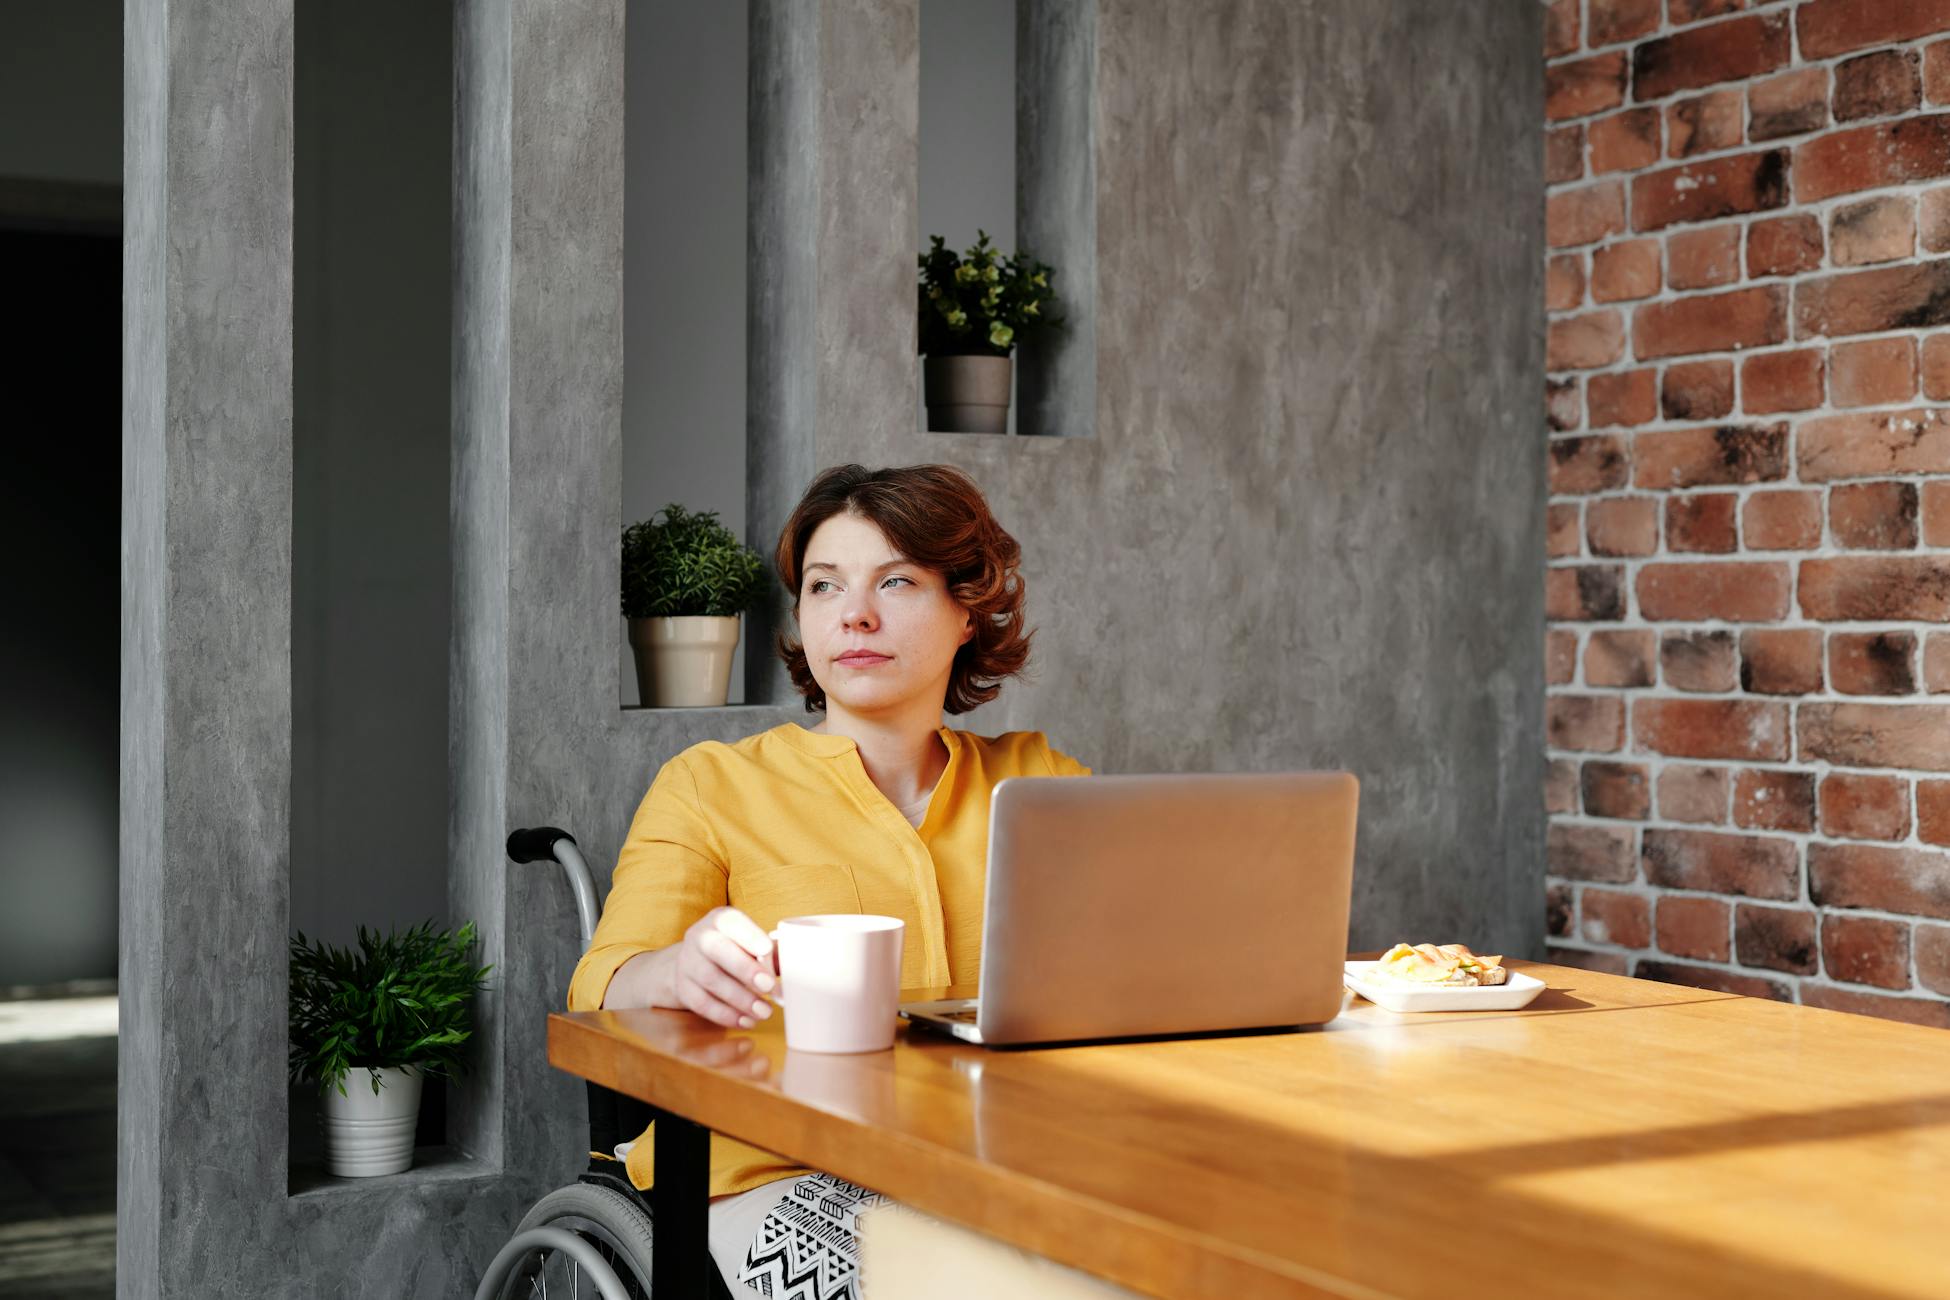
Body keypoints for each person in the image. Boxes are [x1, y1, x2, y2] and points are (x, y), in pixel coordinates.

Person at [567, 462, 1091, 1299]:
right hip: (772, 1176)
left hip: (1005, 1167)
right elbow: (602, 983)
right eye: (824, 586)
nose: (855, 613)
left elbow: (1146, 963)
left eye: (897, 581)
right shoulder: (710, 785)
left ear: (967, 611)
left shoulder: (1041, 783)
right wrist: (675, 968)